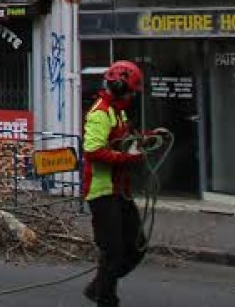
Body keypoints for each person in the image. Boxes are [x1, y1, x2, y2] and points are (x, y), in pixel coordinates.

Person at [82, 59, 147, 307]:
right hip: (102, 191)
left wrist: (145, 140)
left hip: (120, 190)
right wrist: (126, 159)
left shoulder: (118, 112)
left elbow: (121, 141)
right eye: (131, 91)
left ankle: (98, 287)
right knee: (113, 252)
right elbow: (92, 150)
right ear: (120, 88)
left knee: (137, 246)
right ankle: (106, 298)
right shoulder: (100, 113)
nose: (132, 96)